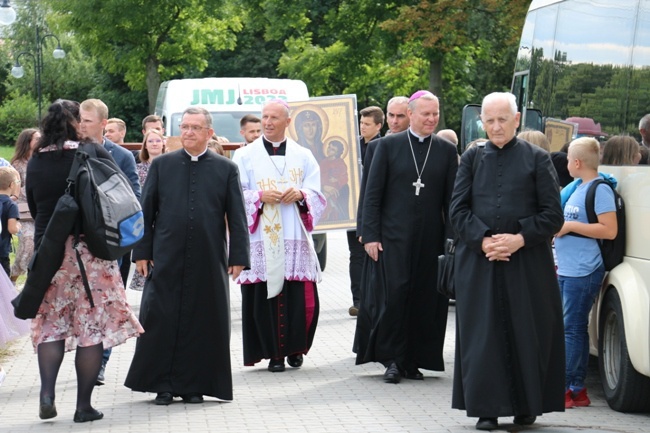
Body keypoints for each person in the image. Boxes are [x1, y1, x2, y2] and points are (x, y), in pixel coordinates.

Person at [450, 92, 565, 431]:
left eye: (503, 120)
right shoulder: (471, 159)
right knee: (483, 335)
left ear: (517, 120)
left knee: (525, 331)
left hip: (526, 263)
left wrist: (519, 238)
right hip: (480, 261)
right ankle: (486, 408)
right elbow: (457, 210)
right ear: (481, 123)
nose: (496, 127)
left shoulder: (538, 158)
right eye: (490, 121)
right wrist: (484, 240)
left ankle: (526, 405)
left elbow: (552, 215)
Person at [26, 99, 143, 423]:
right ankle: (83, 407)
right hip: (91, 254)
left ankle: (47, 393)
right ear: (77, 122)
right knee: (91, 329)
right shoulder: (91, 152)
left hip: (50, 255)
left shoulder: (36, 160)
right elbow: (119, 195)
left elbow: (35, 207)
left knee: (51, 326)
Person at [125, 106, 250, 405]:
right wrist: (141, 252)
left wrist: (239, 256)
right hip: (166, 255)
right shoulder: (162, 165)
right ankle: (162, 385)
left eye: (195, 127)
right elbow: (147, 211)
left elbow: (237, 216)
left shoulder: (226, 168)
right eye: (184, 127)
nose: (189, 132)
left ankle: (196, 385)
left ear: (209, 132)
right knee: (160, 317)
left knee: (204, 320)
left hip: (209, 257)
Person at [354, 90, 457, 383]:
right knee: (394, 297)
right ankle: (394, 360)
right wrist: (370, 234)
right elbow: (371, 195)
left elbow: (452, 203)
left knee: (425, 300)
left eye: (435, 114)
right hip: (392, 238)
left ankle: (415, 359)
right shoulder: (388, 146)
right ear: (411, 114)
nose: (431, 119)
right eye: (426, 114)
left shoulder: (446, 150)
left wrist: (451, 242)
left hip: (430, 240)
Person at [232, 99, 326, 373]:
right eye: (265, 117)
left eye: (275, 117)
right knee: (265, 296)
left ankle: (296, 349)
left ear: (287, 121)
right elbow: (235, 194)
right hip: (262, 234)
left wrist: (301, 195)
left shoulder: (304, 155)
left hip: (294, 233)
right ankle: (273, 353)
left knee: (299, 296)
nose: (268, 122)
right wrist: (259, 197)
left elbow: (317, 194)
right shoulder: (245, 156)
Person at [79, 99, 140, 385]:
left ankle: (100, 362)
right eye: (80, 119)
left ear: (103, 124)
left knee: (107, 304)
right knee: (84, 304)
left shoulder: (122, 156)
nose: (81, 125)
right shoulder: (71, 152)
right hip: (78, 244)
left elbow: (133, 199)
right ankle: (86, 355)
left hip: (111, 243)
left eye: (88, 121)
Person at [555, 137, 617, 409]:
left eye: (568, 159)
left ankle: (572, 388)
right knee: (570, 328)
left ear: (577, 163)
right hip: (569, 269)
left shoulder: (599, 190)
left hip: (584, 270)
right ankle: (573, 387)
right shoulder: (577, 188)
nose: (566, 163)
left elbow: (609, 230)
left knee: (573, 329)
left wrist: (569, 227)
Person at [347, 106, 384, 316]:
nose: (362, 127)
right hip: (353, 208)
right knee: (356, 255)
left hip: (374, 210)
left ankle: (374, 298)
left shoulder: (383, 146)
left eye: (367, 124)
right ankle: (358, 300)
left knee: (374, 254)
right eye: (361, 123)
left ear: (378, 126)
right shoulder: (353, 147)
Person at [127, 129, 165, 292]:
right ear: (145, 146)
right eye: (150, 141)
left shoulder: (170, 166)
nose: (154, 144)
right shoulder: (137, 168)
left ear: (163, 143)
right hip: (144, 217)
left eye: (157, 140)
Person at [10, 128, 40, 282]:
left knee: (39, 247)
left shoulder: (43, 160)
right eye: (37, 138)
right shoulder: (17, 165)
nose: (40, 140)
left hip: (41, 210)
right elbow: (12, 189)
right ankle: (14, 277)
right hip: (24, 212)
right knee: (28, 241)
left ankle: (31, 281)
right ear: (27, 142)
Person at [0, 167, 21, 277]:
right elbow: (12, 229)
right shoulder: (11, 204)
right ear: (12, 185)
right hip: (2, 250)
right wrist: (18, 226)